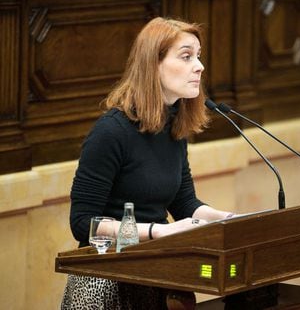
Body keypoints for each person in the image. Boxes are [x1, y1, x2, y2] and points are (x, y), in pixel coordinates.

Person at [61, 17, 234, 309]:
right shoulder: (111, 131)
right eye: (187, 56)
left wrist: (228, 219)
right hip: (104, 282)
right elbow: (82, 223)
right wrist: (157, 231)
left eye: (199, 56)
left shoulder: (173, 127)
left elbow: (184, 203)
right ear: (154, 63)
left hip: (155, 274)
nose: (200, 66)